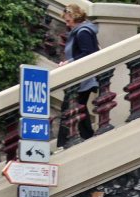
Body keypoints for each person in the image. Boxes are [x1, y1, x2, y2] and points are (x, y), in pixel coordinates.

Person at [57, 4, 100, 146]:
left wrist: (69, 62)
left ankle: (64, 142)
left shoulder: (83, 32)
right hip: (81, 77)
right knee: (78, 107)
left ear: (75, 18)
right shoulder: (82, 31)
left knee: (69, 107)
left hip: (83, 78)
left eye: (68, 21)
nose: (67, 24)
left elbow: (88, 53)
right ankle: (87, 137)